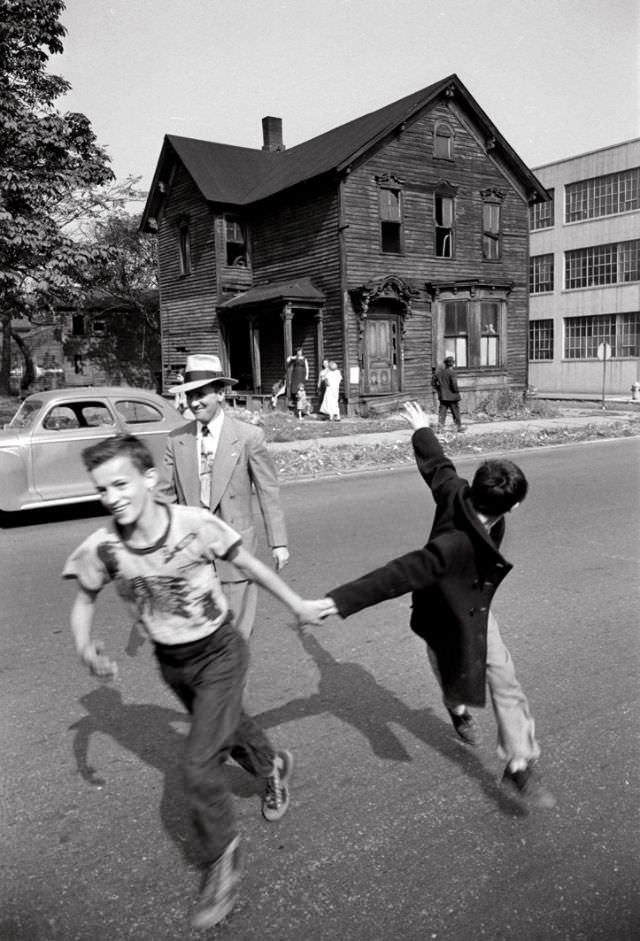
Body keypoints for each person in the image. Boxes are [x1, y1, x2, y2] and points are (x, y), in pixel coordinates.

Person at [62, 434, 322, 929]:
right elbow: (83, 601)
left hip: (220, 652)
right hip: (172, 661)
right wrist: (84, 647)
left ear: (150, 480)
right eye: (102, 490)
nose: (112, 497)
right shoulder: (105, 547)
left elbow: (248, 566)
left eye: (121, 483)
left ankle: (222, 862)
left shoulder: (194, 525)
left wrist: (299, 605)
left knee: (199, 762)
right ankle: (272, 767)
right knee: (230, 724)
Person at [304, 401, 555, 810]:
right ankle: (456, 708)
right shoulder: (450, 546)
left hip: (474, 611)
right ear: (512, 507)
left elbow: (438, 467)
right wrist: (335, 602)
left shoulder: (458, 491)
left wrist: (421, 429)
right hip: (439, 614)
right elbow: (395, 575)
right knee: (452, 677)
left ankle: (519, 761)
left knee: (504, 678)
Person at [160, 354, 289, 642]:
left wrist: (278, 542)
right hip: (192, 556)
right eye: (190, 395)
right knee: (198, 640)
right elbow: (164, 498)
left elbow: (268, 491)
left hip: (234, 551)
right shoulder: (176, 439)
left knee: (235, 639)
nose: (194, 403)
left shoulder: (248, 437)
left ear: (220, 393)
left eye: (201, 395)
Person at [433, 355, 464, 432]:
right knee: (455, 412)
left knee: (442, 412)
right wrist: (456, 391)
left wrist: (439, 389)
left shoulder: (439, 373)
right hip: (452, 396)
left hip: (443, 396)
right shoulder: (452, 372)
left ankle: (440, 428)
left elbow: (433, 383)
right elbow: (454, 384)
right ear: (452, 363)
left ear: (445, 363)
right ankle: (458, 427)